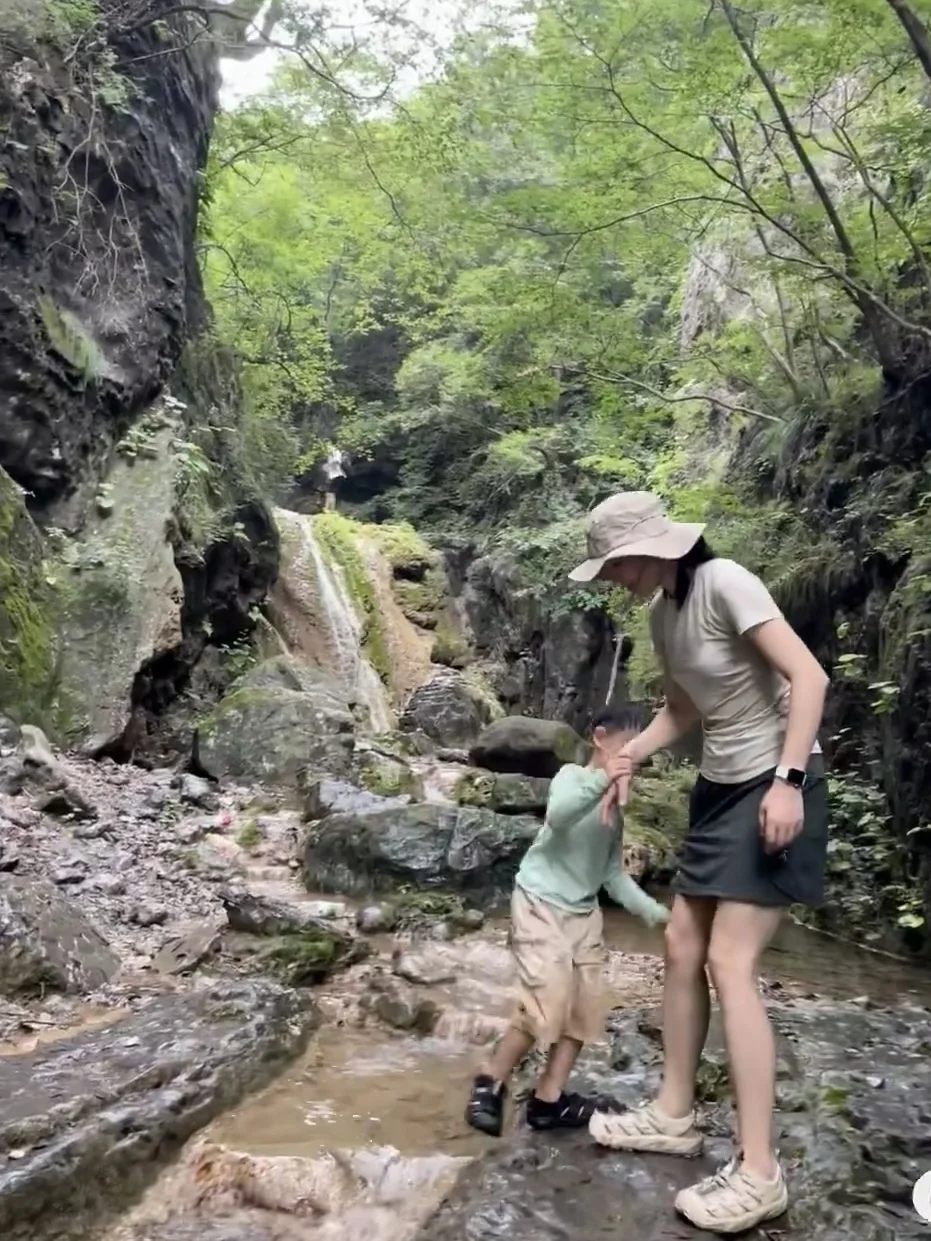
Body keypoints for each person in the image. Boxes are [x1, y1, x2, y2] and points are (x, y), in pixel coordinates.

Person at [570, 492, 829, 1235]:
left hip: (772, 782)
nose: (613, 576)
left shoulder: (726, 583)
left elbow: (807, 679)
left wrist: (786, 782)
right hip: (719, 788)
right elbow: (683, 711)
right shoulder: (663, 613)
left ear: (655, 547)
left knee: (729, 960)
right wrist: (628, 755)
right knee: (680, 943)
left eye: (617, 562)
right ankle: (673, 1112)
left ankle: (758, 1172)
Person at [464, 704, 671, 1139]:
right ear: (600, 738)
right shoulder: (572, 779)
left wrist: (653, 912)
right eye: (629, 745)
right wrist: (604, 779)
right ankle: (490, 1081)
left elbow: (611, 875)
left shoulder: (614, 811)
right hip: (540, 903)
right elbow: (559, 816)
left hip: (582, 914)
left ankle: (548, 1100)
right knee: (546, 1000)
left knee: (584, 1008)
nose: (636, 755)